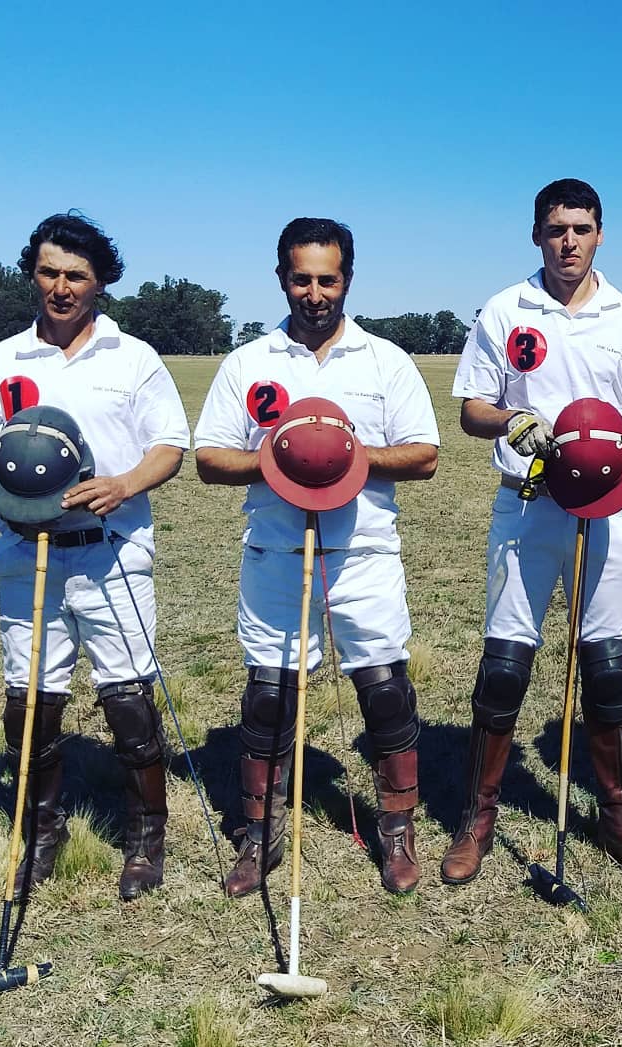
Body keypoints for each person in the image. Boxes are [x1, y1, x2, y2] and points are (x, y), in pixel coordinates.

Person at [194, 217, 440, 896]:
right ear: (282, 279)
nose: (314, 292)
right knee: (270, 696)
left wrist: (348, 458)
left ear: (347, 280)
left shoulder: (385, 360)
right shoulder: (250, 362)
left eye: (326, 279)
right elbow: (210, 457)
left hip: (362, 551)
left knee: (384, 689)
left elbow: (423, 453)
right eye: (300, 278)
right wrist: (281, 459)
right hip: (277, 550)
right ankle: (260, 831)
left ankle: (397, 829)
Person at [0, 211, 189, 901]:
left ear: (101, 282)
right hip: (28, 552)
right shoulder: (0, 361)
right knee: (31, 698)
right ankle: (43, 830)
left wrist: (124, 484)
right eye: (50, 271)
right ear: (34, 272)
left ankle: (146, 835)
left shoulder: (132, 357)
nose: (61, 287)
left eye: (76, 276)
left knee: (128, 695)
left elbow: (169, 444)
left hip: (111, 551)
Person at [442, 178, 622, 886]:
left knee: (605, 666)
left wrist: (613, 452)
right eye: (555, 229)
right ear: (537, 235)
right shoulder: (507, 309)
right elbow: (472, 407)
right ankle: (478, 817)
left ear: (600, 233)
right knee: (506, 664)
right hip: (525, 502)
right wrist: (513, 419)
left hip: (603, 507)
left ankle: (614, 814)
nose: (567, 241)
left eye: (580, 228)